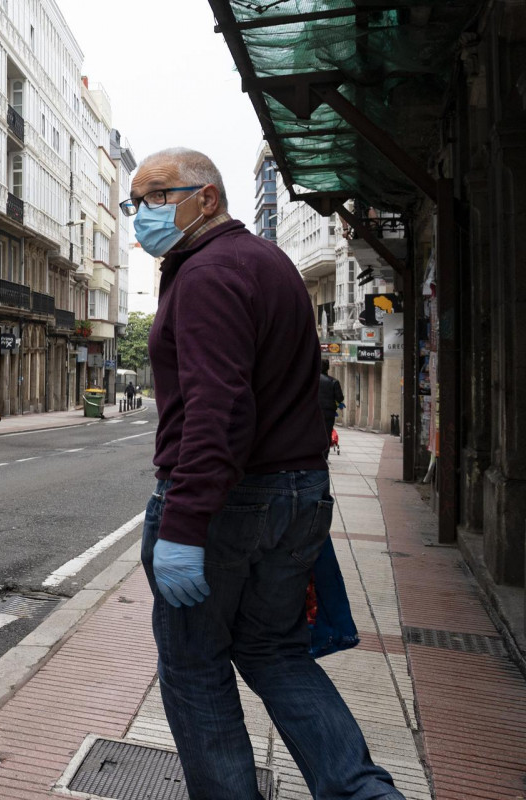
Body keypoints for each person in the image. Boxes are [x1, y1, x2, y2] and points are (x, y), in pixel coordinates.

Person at [125, 147, 404, 799]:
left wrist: (187, 525)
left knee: (194, 669)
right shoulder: (265, 262)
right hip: (298, 491)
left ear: (209, 198)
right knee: (273, 650)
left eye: (157, 197)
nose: (143, 214)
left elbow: (217, 410)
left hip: (229, 503)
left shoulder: (206, 274)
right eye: (134, 202)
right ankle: (364, 792)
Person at [319, 360, 344, 459]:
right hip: (328, 412)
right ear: (328, 368)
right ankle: (324, 456)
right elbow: (340, 398)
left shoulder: (310, 380)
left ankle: (314, 454)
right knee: (327, 433)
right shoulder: (333, 381)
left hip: (314, 412)